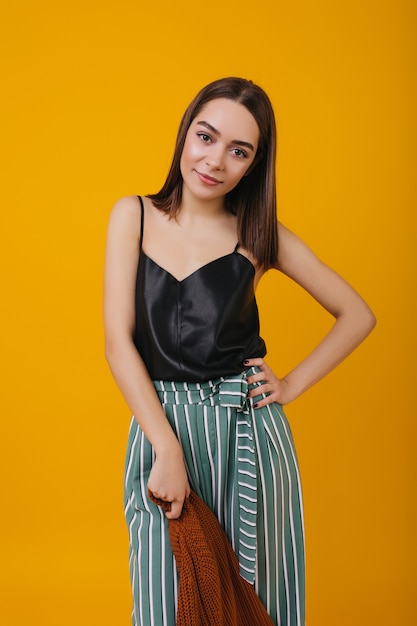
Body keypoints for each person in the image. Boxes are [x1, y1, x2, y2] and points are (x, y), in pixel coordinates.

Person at [103, 77, 376, 626]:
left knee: (257, 598)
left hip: (246, 435)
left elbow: (358, 314)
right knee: (165, 601)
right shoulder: (131, 215)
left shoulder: (259, 234)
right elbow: (118, 343)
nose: (215, 160)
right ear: (185, 135)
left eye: (239, 151)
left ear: (253, 165)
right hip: (163, 429)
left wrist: (290, 385)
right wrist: (166, 447)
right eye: (206, 137)